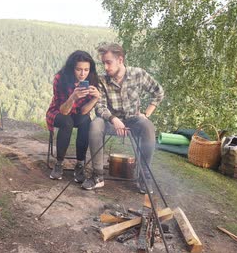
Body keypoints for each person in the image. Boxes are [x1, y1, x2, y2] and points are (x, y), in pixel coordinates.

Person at [81, 43, 164, 193]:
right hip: (110, 121)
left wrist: (146, 114)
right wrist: (114, 119)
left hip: (133, 120)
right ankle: (97, 176)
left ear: (120, 60)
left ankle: (143, 177)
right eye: (103, 63)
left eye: (108, 62)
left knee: (148, 126)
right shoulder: (102, 80)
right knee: (95, 124)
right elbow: (100, 107)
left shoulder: (138, 74)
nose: (105, 67)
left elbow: (159, 92)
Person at [46, 50, 101, 182]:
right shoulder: (61, 78)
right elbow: (63, 111)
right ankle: (59, 163)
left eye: (86, 70)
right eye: (79, 69)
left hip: (78, 113)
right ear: (72, 68)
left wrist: (95, 99)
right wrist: (72, 98)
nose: (83, 74)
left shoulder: (92, 79)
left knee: (86, 121)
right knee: (67, 122)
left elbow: (83, 111)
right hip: (59, 111)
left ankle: (80, 164)